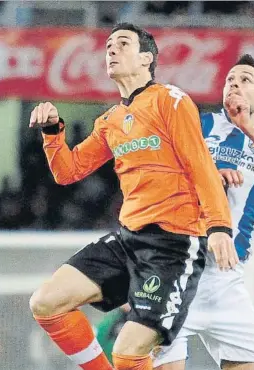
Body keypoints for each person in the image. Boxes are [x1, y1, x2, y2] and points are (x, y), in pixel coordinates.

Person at [28, 23, 236, 370]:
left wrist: (219, 228)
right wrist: (53, 131)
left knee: (127, 353)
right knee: (45, 302)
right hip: (128, 240)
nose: (111, 49)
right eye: (108, 45)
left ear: (146, 59)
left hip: (173, 246)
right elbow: (68, 170)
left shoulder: (170, 100)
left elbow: (200, 165)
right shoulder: (110, 120)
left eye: (122, 44)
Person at [153, 54, 254, 370]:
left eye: (244, 80)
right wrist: (210, 172)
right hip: (178, 272)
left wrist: (248, 127)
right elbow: (162, 172)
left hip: (227, 282)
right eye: (229, 80)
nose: (233, 84)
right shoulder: (200, 124)